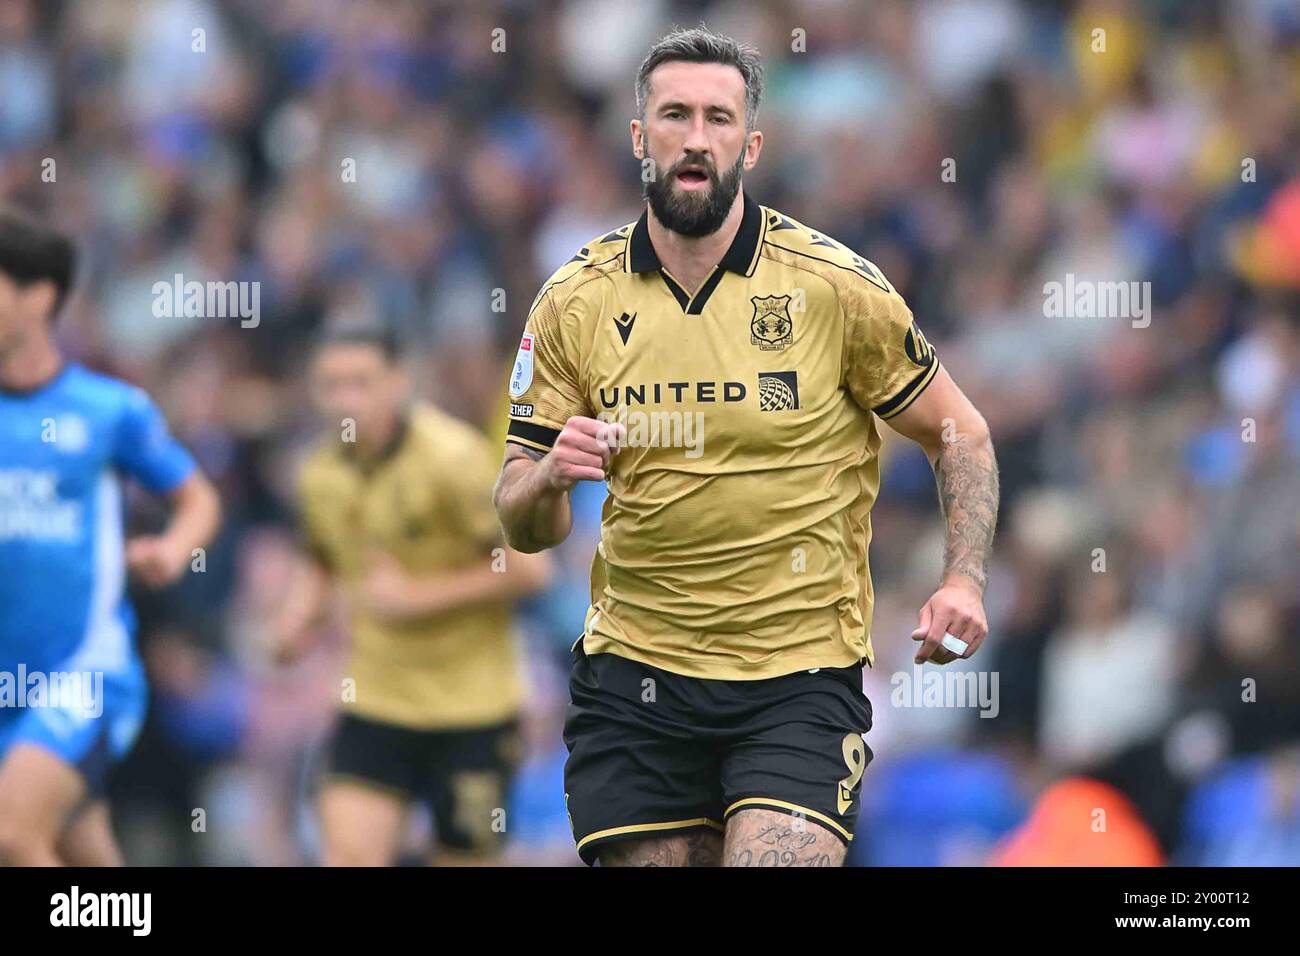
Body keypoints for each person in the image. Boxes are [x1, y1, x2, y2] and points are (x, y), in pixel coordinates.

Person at [494, 28, 1000, 866]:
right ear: (638, 137)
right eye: (675, 115)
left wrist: (964, 576)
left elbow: (962, 430)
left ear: (751, 143)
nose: (696, 137)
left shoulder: (834, 288)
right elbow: (523, 524)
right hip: (637, 683)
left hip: (796, 682)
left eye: (719, 118)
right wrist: (549, 475)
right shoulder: (573, 301)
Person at [274, 322, 549, 865]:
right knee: (348, 857)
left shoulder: (454, 459)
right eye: (331, 385)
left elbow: (531, 570)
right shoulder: (318, 473)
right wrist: (296, 619)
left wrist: (416, 596)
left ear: (399, 381)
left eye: (361, 382)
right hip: (376, 700)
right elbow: (324, 558)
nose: (344, 400)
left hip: (473, 708)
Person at [0, 209, 221, 865]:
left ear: (38, 296)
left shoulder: (106, 410)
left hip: (83, 670)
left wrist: (173, 550)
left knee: (12, 837)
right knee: (82, 852)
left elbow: (196, 497)